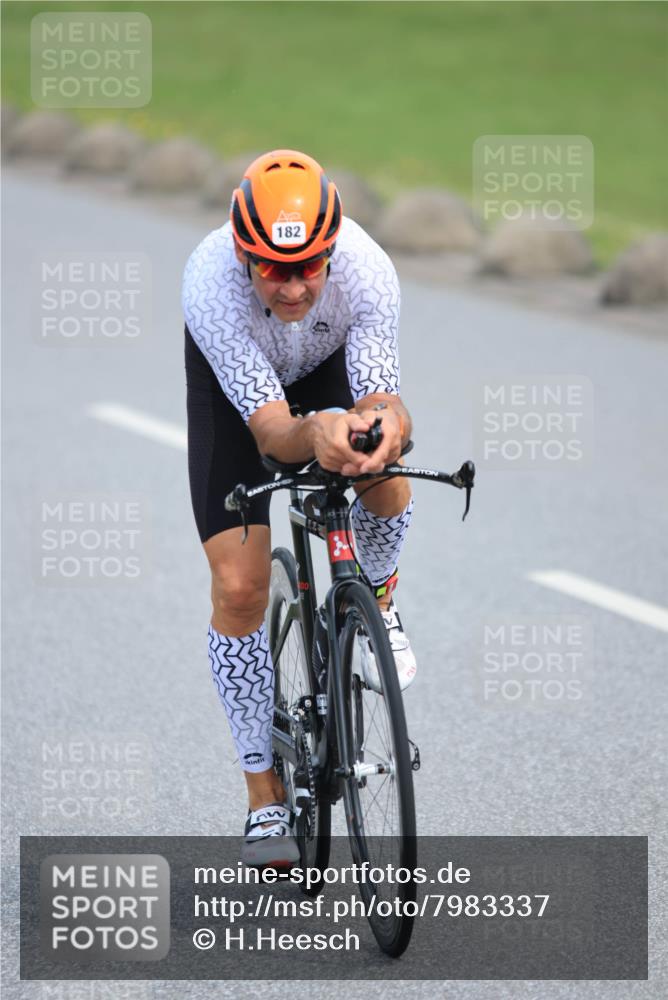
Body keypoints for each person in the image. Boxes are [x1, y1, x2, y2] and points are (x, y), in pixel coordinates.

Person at [182, 149, 416, 865]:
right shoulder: (211, 284)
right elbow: (274, 435)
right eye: (273, 269)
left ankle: (378, 596)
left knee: (385, 466)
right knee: (240, 587)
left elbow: (381, 394)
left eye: (309, 267)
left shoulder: (368, 272)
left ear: (332, 250)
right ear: (244, 255)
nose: (291, 286)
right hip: (245, 402)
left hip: (329, 365)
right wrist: (314, 432)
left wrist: (385, 428)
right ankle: (262, 792)